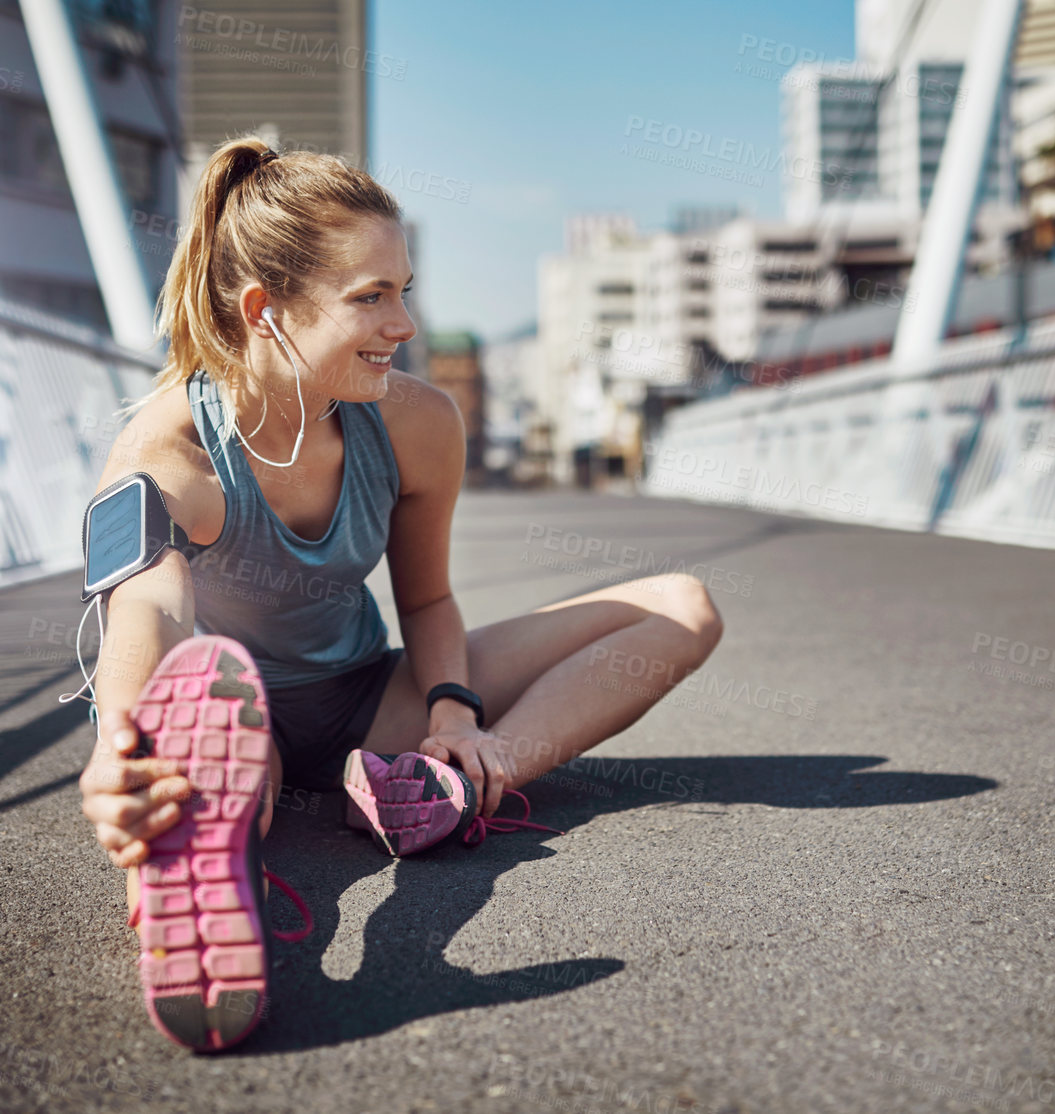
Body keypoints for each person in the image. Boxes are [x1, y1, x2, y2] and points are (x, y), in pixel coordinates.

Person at [70, 137, 725, 1051]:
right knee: (192, 767)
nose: (404, 324)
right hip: (227, 721)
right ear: (266, 312)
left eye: (404, 290)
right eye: (370, 298)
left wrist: (456, 715)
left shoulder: (417, 424)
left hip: (369, 705)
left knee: (684, 606)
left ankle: (439, 787)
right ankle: (181, 845)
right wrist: (119, 748)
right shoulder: (165, 451)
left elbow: (424, 603)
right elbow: (144, 605)